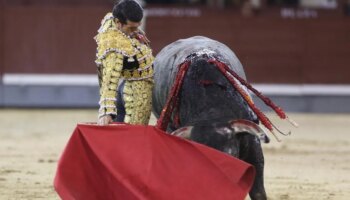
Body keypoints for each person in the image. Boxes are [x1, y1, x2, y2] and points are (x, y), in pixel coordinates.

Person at [94, 0, 154, 125]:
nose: (135, 31)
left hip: (129, 85)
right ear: (118, 23)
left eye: (137, 26)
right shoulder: (115, 44)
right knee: (135, 133)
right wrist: (106, 112)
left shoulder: (112, 19)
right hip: (136, 92)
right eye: (131, 28)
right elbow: (110, 79)